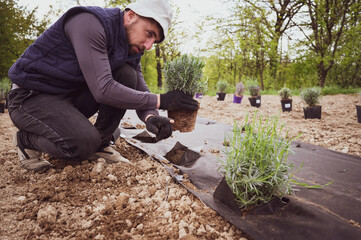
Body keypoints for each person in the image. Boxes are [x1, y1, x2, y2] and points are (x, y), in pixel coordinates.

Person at [7, 0, 198, 171]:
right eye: (149, 34)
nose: (148, 45)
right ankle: (26, 141)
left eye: (154, 41)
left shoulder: (130, 45)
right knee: (82, 143)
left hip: (66, 99)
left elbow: (136, 82)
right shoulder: (89, 23)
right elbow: (103, 89)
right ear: (131, 15)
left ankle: (100, 144)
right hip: (30, 98)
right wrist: (161, 100)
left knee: (126, 74)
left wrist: (150, 116)